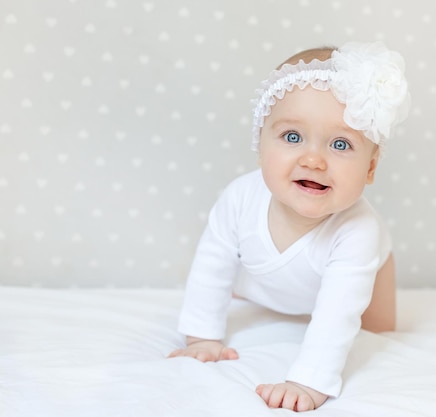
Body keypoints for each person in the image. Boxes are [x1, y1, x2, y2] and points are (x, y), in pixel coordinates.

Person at [168, 41, 410, 412]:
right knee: (248, 278)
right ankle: (271, 292)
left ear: (371, 168)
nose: (313, 159)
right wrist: (202, 337)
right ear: (261, 145)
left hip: (363, 278)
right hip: (272, 277)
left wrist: (308, 382)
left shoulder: (358, 231)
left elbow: (337, 315)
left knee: (377, 333)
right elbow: (211, 266)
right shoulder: (240, 199)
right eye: (292, 137)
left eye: (341, 144)